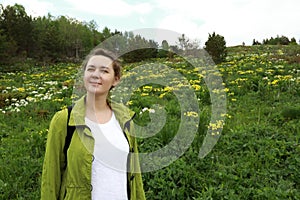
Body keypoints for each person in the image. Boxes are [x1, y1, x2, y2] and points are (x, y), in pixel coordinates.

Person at [41, 48, 146, 200]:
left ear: (115, 79)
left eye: (104, 71)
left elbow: (136, 179)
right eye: (91, 69)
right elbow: (50, 177)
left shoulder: (125, 120)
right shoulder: (64, 120)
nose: (96, 74)